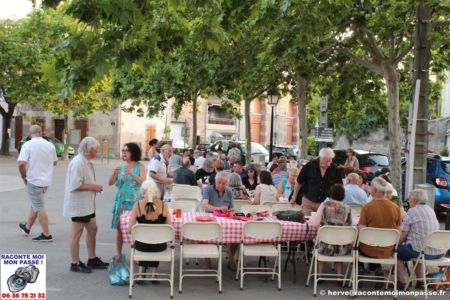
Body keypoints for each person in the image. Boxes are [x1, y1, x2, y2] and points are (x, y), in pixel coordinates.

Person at [63, 137, 109, 273]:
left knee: (93, 229)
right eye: (96, 149)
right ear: (89, 150)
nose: (97, 151)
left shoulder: (86, 162)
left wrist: (93, 187)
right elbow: (75, 185)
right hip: (79, 205)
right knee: (76, 233)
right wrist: (93, 187)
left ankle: (92, 258)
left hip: (87, 204)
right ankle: (75, 262)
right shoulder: (78, 163)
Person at [18, 125, 58, 242]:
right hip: (46, 181)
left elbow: (21, 163)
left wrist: (23, 175)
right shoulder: (50, 145)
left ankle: (46, 234)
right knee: (35, 203)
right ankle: (27, 228)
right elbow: (55, 162)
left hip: (33, 180)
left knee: (39, 206)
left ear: (30, 134)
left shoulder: (27, 145)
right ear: (41, 132)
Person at [108, 142, 146, 262]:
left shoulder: (140, 166)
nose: (124, 153)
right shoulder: (121, 166)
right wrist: (114, 173)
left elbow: (143, 181)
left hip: (134, 201)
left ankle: (136, 253)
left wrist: (131, 173)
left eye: (126, 150)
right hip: (121, 200)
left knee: (135, 228)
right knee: (119, 228)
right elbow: (110, 183)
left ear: (133, 152)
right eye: (123, 150)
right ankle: (118, 254)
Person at [128, 179, 171, 282]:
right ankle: (154, 274)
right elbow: (169, 227)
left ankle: (141, 273)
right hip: (159, 247)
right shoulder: (163, 205)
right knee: (156, 239)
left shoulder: (137, 205)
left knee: (143, 240)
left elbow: (130, 230)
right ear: (156, 192)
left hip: (141, 247)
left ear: (143, 192)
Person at [358, 177, 402, 275]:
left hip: (368, 249)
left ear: (374, 190)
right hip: (388, 249)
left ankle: (359, 269)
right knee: (375, 241)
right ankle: (377, 269)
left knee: (356, 242)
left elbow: (361, 229)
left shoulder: (367, 207)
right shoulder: (396, 208)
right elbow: (399, 229)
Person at [311, 184, 352, 276]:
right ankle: (339, 276)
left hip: (324, 247)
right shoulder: (348, 208)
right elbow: (350, 225)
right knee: (338, 242)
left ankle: (320, 274)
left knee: (323, 241)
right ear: (343, 195)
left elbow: (315, 223)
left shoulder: (324, 206)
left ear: (330, 194)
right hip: (342, 248)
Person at [291, 147, 343, 216]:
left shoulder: (335, 169)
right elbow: (299, 182)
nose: (329, 164)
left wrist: (337, 202)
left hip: (326, 204)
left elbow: (340, 187)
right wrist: (294, 197)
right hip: (308, 203)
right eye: (327, 161)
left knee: (324, 225)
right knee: (307, 224)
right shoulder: (309, 166)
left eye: (330, 161)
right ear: (321, 158)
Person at [201, 172, 236, 269]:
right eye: (219, 182)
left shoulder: (229, 191)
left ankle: (231, 259)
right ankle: (207, 260)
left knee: (237, 234)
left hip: (225, 220)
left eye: (224, 183)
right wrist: (219, 208)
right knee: (201, 233)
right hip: (211, 218)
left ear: (227, 184)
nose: (221, 185)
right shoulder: (208, 189)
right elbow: (205, 205)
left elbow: (232, 208)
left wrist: (231, 211)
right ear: (215, 181)